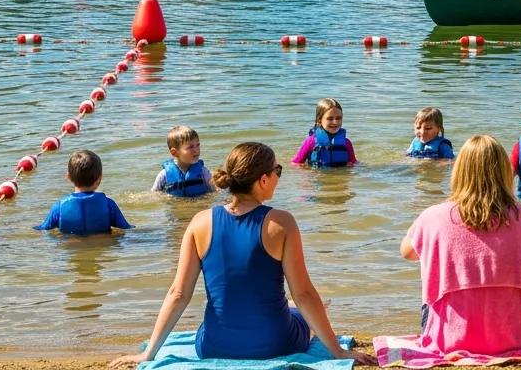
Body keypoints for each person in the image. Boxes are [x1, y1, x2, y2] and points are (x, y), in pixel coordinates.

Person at [109, 142, 373, 366]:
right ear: (264, 180)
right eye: (277, 171)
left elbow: (178, 294)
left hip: (213, 346)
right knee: (302, 312)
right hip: (277, 343)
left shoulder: (200, 222)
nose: (279, 177)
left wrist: (148, 353)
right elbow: (303, 293)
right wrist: (337, 352)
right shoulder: (282, 223)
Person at [394, 135, 521, 361]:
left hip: (451, 340)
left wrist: (423, 226)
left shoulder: (435, 215)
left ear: (459, 172)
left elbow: (407, 252)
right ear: (504, 173)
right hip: (516, 336)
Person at [35, 150, 132, 235]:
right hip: (101, 249)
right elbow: (126, 228)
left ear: (68, 177)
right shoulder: (108, 205)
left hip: (71, 247)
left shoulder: (59, 207)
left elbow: (43, 229)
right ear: (100, 179)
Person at [292, 97, 357, 167]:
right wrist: (308, 172)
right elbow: (296, 163)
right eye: (330, 118)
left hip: (339, 177)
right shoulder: (310, 142)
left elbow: (353, 163)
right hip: (317, 177)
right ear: (319, 120)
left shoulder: (346, 143)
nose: (335, 122)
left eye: (338, 118)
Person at [152, 125, 215, 197]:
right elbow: (154, 195)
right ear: (174, 152)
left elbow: (214, 192)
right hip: (176, 207)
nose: (196, 150)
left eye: (197, 145)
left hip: (200, 206)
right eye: (190, 147)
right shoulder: (164, 175)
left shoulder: (203, 172)